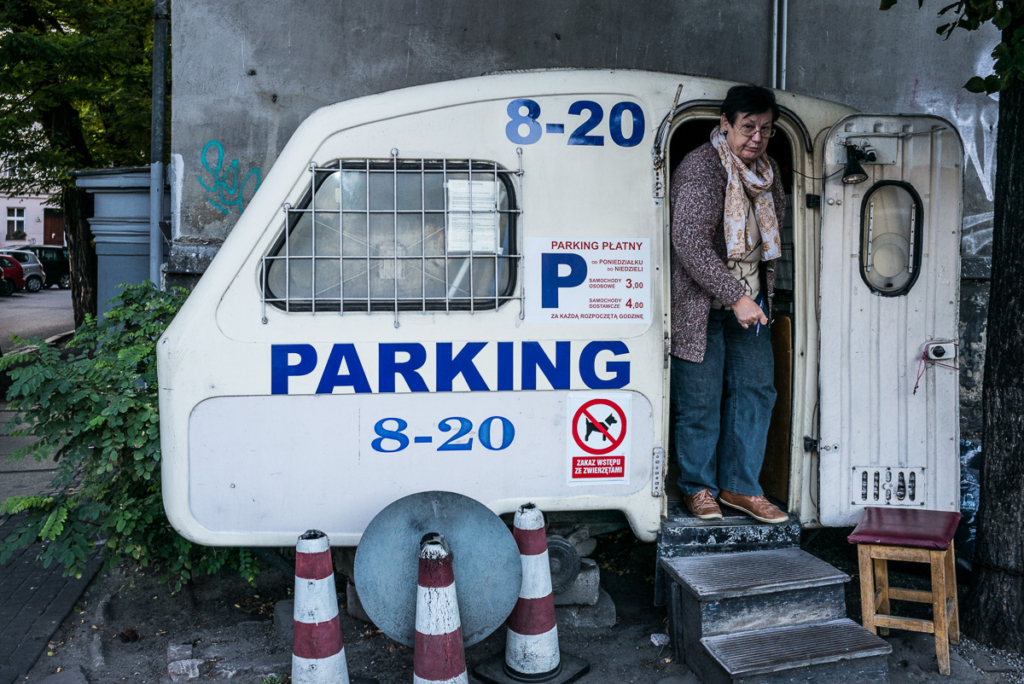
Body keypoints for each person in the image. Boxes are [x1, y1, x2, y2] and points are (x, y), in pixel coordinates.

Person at [669, 84, 788, 524]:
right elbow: (689, 244)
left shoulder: (769, 170)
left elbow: (769, 242)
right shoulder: (702, 168)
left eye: (766, 129)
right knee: (700, 401)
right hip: (702, 307)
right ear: (725, 124)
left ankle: (740, 487)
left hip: (750, 302)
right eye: (748, 127)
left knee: (757, 392)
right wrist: (735, 296)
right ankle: (697, 488)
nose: (756, 138)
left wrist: (752, 297)